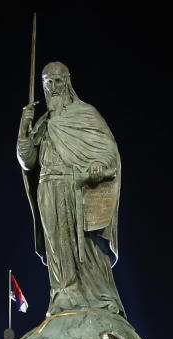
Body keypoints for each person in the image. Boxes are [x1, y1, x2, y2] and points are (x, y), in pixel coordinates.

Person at [16, 61, 125, 318]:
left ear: (67, 83)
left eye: (57, 81)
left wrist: (98, 165)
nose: (53, 88)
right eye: (48, 83)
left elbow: (109, 151)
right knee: (57, 248)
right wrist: (24, 128)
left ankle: (100, 296)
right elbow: (28, 160)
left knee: (84, 248)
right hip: (47, 188)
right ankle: (62, 296)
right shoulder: (42, 123)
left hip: (77, 188)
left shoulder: (85, 114)